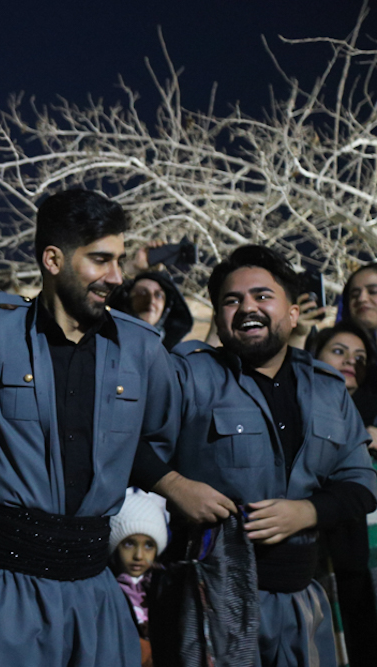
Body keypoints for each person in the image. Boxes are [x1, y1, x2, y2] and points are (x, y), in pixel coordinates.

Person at [0, 189, 228, 667]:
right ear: (53, 259)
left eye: (119, 260)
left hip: (94, 594)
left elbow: (146, 442)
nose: (117, 276)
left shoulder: (142, 349)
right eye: (100, 260)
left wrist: (173, 483)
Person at [169, 245, 377, 666]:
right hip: (211, 602)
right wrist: (173, 485)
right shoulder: (188, 376)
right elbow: (127, 446)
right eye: (232, 299)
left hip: (303, 601)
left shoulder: (327, 388)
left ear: (293, 313)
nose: (248, 307)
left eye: (262, 296)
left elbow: (363, 482)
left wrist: (308, 511)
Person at [310, 321, 377, 667]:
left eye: (360, 357)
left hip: (361, 567)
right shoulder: (297, 407)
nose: (350, 361)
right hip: (313, 563)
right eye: (338, 351)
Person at [109, 488, 168, 667]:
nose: (138, 555)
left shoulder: (165, 588)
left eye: (149, 545)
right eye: (129, 544)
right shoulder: (108, 592)